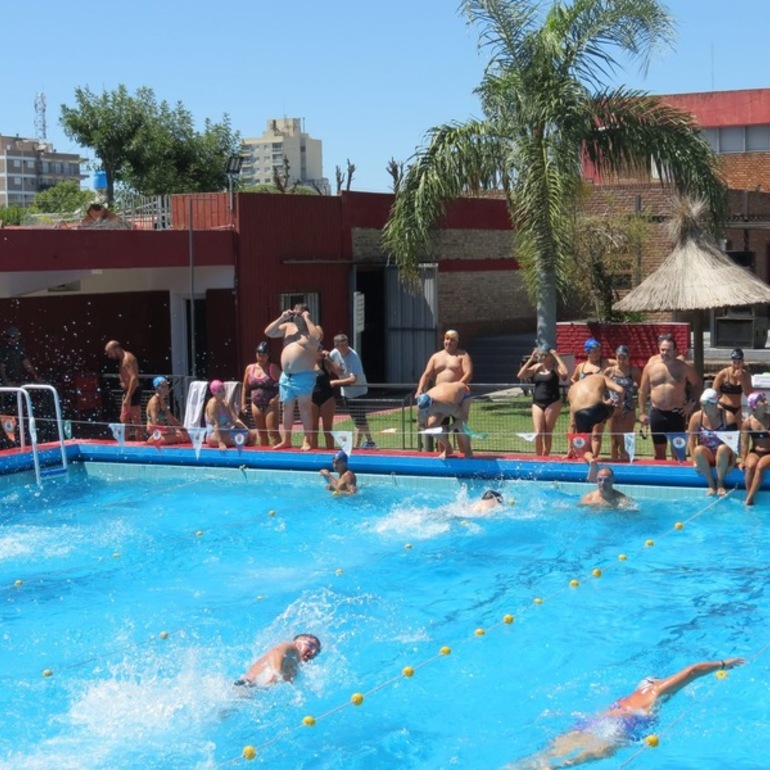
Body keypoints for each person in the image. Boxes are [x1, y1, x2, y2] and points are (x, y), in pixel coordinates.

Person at [509, 657, 745, 769]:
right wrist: (724, 664)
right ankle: (558, 767)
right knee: (586, 757)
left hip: (594, 722)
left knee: (545, 753)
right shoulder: (654, 691)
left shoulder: (627, 697)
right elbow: (693, 671)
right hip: (623, 727)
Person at [264, 304, 321, 451]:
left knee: (304, 407)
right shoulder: (288, 327)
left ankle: (307, 440)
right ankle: (286, 440)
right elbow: (269, 332)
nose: (297, 317)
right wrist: (282, 318)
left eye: (300, 314)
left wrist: (307, 319)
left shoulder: (313, 329)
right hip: (286, 375)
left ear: (307, 314)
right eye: (295, 314)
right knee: (287, 407)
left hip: (304, 375)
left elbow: (317, 338)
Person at [638, 333, 701, 460]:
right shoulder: (650, 367)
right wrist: (641, 413)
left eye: (668, 350)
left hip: (677, 413)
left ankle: (679, 477)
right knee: (659, 452)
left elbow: (698, 384)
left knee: (678, 453)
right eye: (662, 350)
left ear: (675, 351)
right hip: (657, 413)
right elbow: (642, 391)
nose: (665, 353)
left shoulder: (684, 367)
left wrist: (691, 404)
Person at [415, 329, 473, 457]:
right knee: (435, 426)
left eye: (452, 340)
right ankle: (447, 450)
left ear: (457, 342)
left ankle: (465, 452)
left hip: (457, 396)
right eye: (447, 339)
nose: (449, 342)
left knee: (460, 426)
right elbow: (427, 374)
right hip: (439, 399)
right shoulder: (436, 357)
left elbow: (468, 373)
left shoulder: (462, 355)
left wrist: (456, 386)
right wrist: (419, 390)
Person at [517, 344, 569, 456]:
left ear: (550, 356)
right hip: (537, 402)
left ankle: (546, 456)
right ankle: (538, 456)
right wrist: (531, 359)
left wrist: (557, 356)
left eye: (545, 355)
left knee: (547, 432)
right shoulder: (537, 367)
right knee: (538, 433)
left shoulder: (555, 368)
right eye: (541, 355)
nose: (542, 357)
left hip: (553, 402)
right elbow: (520, 375)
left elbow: (565, 374)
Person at [687, 387, 738, 496]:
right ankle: (711, 484)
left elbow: (734, 443)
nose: (702, 407)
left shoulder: (728, 417)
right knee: (698, 449)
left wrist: (732, 463)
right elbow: (691, 441)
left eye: (704, 404)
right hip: (708, 455)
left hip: (724, 455)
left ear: (713, 404)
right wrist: (694, 460)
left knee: (723, 448)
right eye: (701, 404)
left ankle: (720, 483)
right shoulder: (697, 417)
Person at [329, 333, 376, 449]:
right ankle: (365, 443)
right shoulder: (334, 353)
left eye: (346, 345)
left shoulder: (353, 356)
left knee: (359, 419)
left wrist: (335, 382)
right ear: (336, 345)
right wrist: (335, 369)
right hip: (346, 393)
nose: (344, 348)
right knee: (358, 420)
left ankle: (366, 443)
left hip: (358, 391)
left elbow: (353, 379)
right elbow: (328, 362)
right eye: (341, 345)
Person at [567, 374, 625, 464]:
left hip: (580, 415)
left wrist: (570, 448)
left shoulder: (572, 389)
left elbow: (572, 423)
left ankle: (591, 459)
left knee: (585, 450)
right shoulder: (599, 377)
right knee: (618, 412)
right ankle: (624, 453)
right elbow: (620, 390)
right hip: (598, 409)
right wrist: (619, 403)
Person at [234, 634, 322, 688]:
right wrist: (275, 675)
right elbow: (279, 650)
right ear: (296, 643)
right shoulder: (291, 648)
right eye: (310, 645)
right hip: (247, 686)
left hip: (250, 690)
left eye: (317, 651)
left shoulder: (295, 667)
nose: (313, 652)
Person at [603, 345, 642, 461]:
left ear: (628, 357)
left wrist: (640, 406)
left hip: (628, 407)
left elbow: (641, 389)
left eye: (624, 357)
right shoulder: (610, 371)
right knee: (614, 439)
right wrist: (605, 400)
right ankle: (615, 463)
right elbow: (601, 387)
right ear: (616, 357)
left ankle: (629, 461)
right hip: (613, 408)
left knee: (628, 437)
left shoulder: (633, 371)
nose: (621, 360)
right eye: (619, 357)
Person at [417, 380, 473, 459]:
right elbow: (420, 425)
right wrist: (430, 431)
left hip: (463, 393)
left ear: (433, 403)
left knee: (462, 426)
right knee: (432, 426)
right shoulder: (421, 410)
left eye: (428, 410)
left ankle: (468, 451)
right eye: (424, 411)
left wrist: (449, 428)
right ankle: (448, 448)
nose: (427, 413)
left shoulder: (447, 405)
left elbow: (464, 418)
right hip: (441, 391)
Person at [240, 341, 281, 447]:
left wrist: (277, 398)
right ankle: (264, 455)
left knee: (273, 432)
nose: (260, 357)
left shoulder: (273, 368)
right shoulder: (250, 368)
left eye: (263, 355)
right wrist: (243, 403)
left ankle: (279, 454)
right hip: (255, 403)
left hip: (271, 403)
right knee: (261, 433)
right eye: (259, 354)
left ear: (268, 355)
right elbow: (245, 387)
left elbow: (284, 385)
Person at [104, 340, 143, 441]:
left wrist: (128, 397)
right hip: (127, 392)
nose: (109, 356)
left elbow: (134, 378)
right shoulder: (122, 359)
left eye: (110, 353)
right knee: (124, 420)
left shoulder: (128, 359)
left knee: (136, 421)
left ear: (117, 349)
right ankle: (124, 445)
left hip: (133, 392)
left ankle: (141, 446)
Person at [311, 339, 343, 450]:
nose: (320, 351)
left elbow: (340, 372)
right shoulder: (307, 364)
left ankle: (330, 452)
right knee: (313, 430)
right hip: (312, 399)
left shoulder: (326, 363)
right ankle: (313, 453)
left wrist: (330, 359)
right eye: (318, 349)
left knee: (327, 429)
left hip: (327, 397)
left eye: (321, 349)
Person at [739, 391, 770, 506]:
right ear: (754, 405)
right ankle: (749, 495)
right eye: (762, 400)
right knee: (750, 466)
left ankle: (749, 499)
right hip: (756, 451)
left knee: (761, 466)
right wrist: (743, 460)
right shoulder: (748, 423)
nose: (766, 402)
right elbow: (745, 443)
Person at [205, 379, 255, 450]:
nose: (222, 393)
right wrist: (220, 442)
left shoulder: (225, 404)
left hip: (227, 432)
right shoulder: (212, 405)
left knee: (253, 434)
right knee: (242, 438)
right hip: (214, 435)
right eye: (219, 391)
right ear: (213, 393)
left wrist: (247, 430)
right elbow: (215, 425)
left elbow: (234, 420)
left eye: (223, 390)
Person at [712, 347, 752, 428]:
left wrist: (742, 381)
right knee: (726, 432)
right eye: (734, 362)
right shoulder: (723, 374)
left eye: (739, 362)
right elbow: (713, 392)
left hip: (737, 408)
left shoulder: (746, 375)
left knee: (737, 434)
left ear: (743, 362)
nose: (736, 365)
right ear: (731, 362)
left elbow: (750, 395)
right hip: (724, 407)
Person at [145, 376, 188, 445]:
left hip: (162, 432)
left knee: (185, 434)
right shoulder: (154, 402)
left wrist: (183, 429)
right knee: (183, 436)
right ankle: (153, 439)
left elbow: (171, 419)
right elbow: (154, 423)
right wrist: (166, 429)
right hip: (154, 433)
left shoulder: (162, 401)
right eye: (163, 386)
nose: (167, 388)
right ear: (157, 388)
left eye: (167, 385)